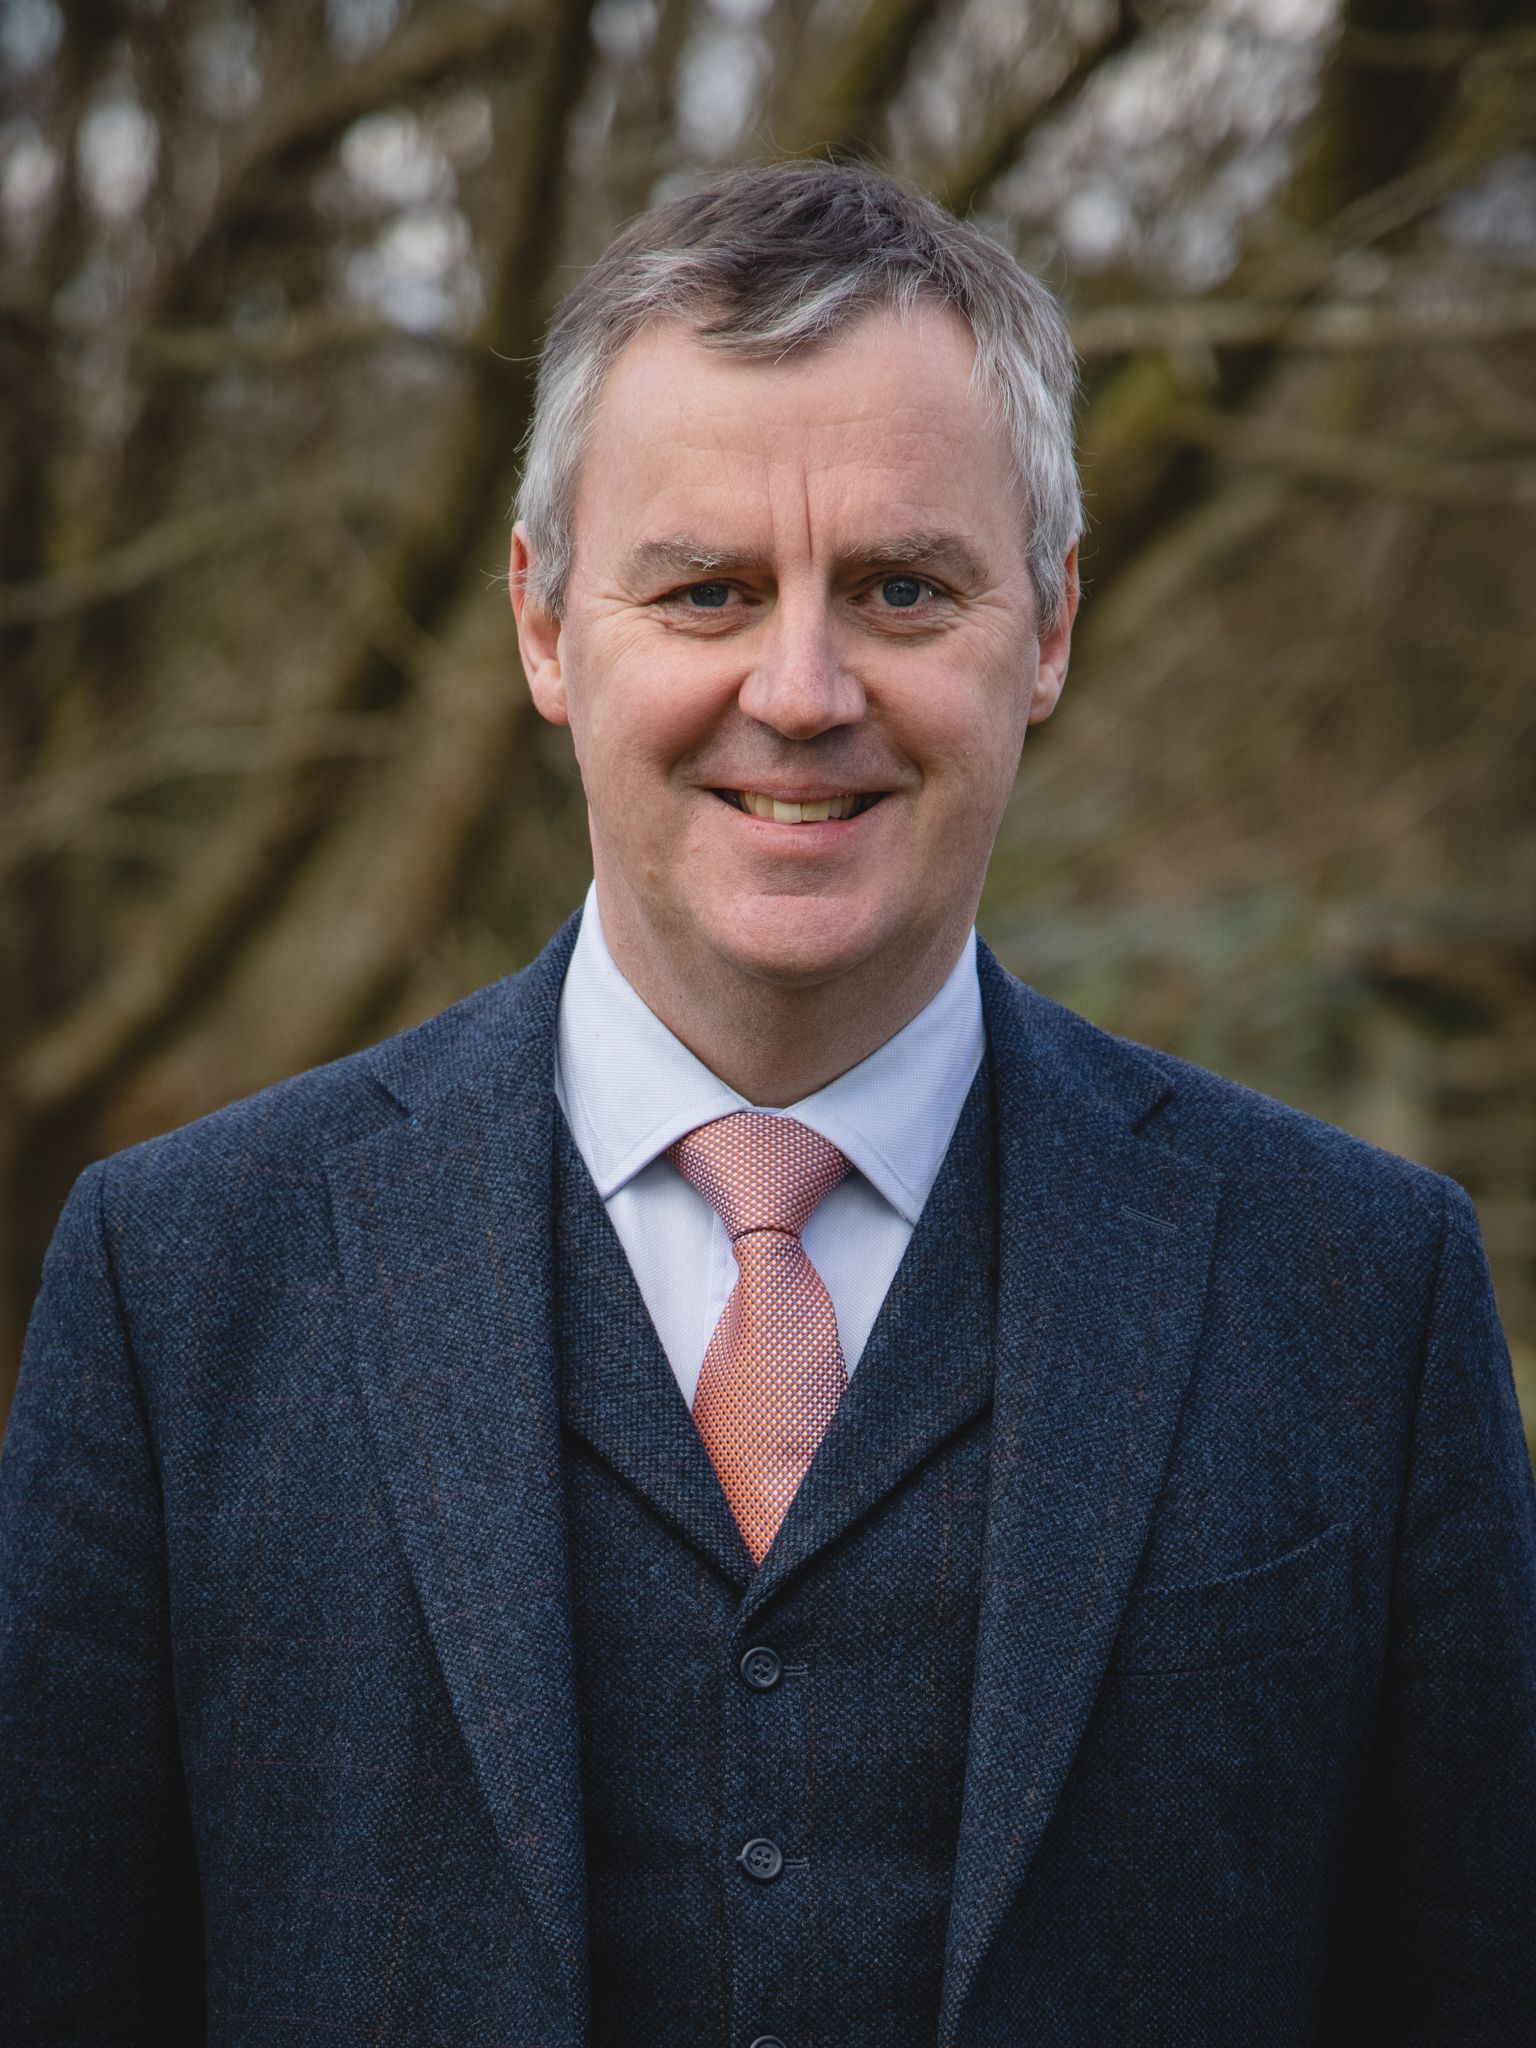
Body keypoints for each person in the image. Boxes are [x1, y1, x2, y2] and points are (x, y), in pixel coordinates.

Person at [1, 161, 1533, 2048]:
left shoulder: (1361, 1296)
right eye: (708, 586)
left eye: (903, 587)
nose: (801, 690)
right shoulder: (179, 1293)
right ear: (548, 626)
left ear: (1047, 627)